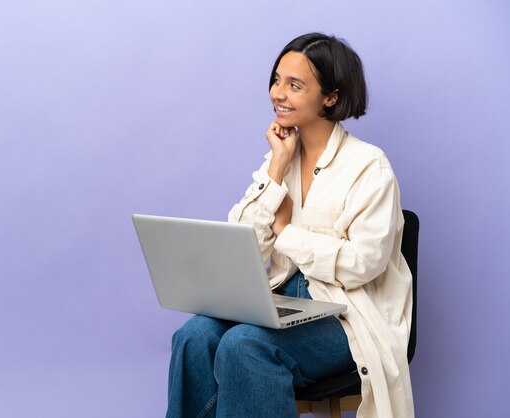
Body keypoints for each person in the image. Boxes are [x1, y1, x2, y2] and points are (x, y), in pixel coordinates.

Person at [166, 33, 414, 418]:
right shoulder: (278, 156)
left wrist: (287, 233)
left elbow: (363, 264)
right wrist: (278, 168)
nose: (278, 93)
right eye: (277, 79)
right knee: (193, 337)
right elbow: (244, 246)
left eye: (295, 85)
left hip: (347, 315)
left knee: (245, 345)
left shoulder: (368, 166)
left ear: (330, 97)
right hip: (283, 300)